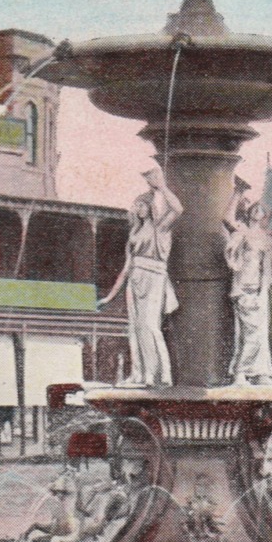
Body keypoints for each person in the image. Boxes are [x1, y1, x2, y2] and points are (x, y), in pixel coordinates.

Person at [99, 164, 183, 387]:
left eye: (143, 204)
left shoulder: (160, 229)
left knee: (150, 325)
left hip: (154, 276)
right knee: (135, 328)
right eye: (137, 205)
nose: (139, 208)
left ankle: (162, 373)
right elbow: (125, 269)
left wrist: (162, 187)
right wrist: (108, 297)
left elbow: (177, 209)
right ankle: (141, 374)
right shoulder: (133, 236)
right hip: (135, 279)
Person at [222, 178, 272, 385]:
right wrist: (238, 192)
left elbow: (266, 269)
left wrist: (264, 291)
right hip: (243, 287)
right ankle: (240, 372)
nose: (257, 212)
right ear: (249, 212)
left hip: (258, 289)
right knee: (250, 333)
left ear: (265, 216)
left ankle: (260, 372)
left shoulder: (264, 238)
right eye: (254, 208)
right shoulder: (242, 231)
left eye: (261, 210)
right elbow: (227, 218)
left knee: (260, 333)